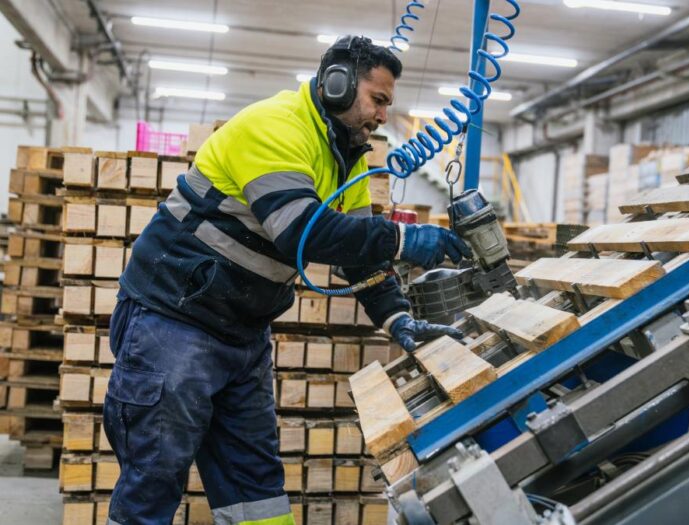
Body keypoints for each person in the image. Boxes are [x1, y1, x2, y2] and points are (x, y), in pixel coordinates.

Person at [103, 35, 471, 524]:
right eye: (378, 99)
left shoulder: (341, 156)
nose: (384, 116)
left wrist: (395, 316)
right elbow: (302, 231)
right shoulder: (275, 127)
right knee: (153, 482)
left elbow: (355, 257)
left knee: (256, 491)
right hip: (173, 321)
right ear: (336, 85)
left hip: (242, 333)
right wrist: (404, 241)